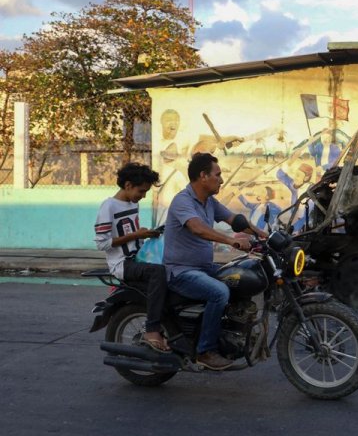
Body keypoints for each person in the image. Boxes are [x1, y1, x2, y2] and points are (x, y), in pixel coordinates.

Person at [163, 153, 266, 370]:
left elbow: (235, 221)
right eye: (218, 175)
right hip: (181, 271)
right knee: (219, 292)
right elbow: (197, 227)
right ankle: (205, 351)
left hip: (203, 268)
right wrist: (231, 241)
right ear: (203, 176)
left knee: (237, 278)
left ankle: (229, 335)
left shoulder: (209, 201)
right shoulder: (183, 200)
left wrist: (262, 234)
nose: (221, 179)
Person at [94, 163, 170, 352]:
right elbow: (101, 243)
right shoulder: (108, 206)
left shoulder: (132, 203)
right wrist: (137, 235)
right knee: (158, 273)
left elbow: (130, 231)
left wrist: (145, 233)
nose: (143, 196)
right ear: (128, 185)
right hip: (122, 264)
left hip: (137, 258)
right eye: (141, 191)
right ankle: (152, 330)